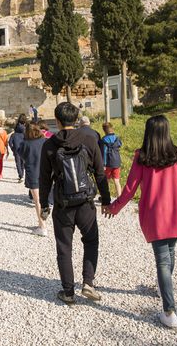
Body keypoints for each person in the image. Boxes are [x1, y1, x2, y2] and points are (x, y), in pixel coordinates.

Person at [109, 115, 177, 329]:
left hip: (155, 217)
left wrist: (115, 207)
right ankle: (163, 287)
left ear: (148, 132)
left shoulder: (142, 156)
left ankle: (169, 311)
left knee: (162, 261)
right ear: (167, 131)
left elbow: (130, 189)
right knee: (169, 255)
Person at [39, 102, 112, 304]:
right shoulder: (89, 138)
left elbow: (44, 178)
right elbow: (99, 172)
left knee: (64, 247)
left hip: (63, 203)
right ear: (77, 119)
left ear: (57, 121)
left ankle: (68, 291)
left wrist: (44, 204)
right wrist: (105, 200)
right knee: (91, 241)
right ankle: (88, 282)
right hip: (85, 202)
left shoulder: (50, 144)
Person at [20, 122, 48, 236]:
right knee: (45, 199)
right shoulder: (45, 141)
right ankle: (45, 222)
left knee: (37, 201)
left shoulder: (25, 144)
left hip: (33, 174)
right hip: (45, 173)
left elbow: (22, 156)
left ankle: (42, 226)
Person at [100, 122, 123, 196]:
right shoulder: (117, 138)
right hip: (117, 162)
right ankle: (119, 197)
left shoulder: (104, 140)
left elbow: (104, 152)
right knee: (116, 180)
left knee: (106, 181)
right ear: (112, 129)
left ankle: (106, 196)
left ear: (104, 130)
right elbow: (120, 144)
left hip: (108, 164)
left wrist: (104, 164)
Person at [9, 114, 27, 182]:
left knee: (18, 163)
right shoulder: (24, 134)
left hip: (16, 150)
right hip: (23, 149)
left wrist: (12, 149)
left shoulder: (13, 135)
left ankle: (21, 175)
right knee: (22, 162)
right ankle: (22, 174)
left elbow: (10, 143)